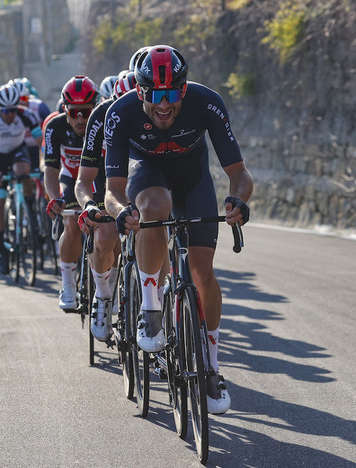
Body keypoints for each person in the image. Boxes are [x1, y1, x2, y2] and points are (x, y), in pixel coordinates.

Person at [104, 45, 253, 415]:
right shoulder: (119, 113)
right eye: (154, 95)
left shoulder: (206, 102)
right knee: (154, 208)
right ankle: (151, 310)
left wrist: (237, 200)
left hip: (193, 179)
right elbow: (112, 189)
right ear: (140, 91)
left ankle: (212, 368)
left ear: (184, 90)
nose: (164, 104)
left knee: (203, 273)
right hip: (147, 176)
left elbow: (239, 173)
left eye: (172, 94)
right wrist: (122, 211)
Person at [75, 72, 136, 341]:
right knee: (105, 236)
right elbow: (83, 179)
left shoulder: (159, 114)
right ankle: (102, 295)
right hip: (107, 176)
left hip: (142, 175)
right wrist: (88, 204)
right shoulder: (100, 117)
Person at [44, 75, 99, 311]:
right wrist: (54, 197)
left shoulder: (103, 122)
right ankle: (67, 285)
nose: (80, 119)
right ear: (64, 108)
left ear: (94, 107)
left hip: (98, 179)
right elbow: (50, 169)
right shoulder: (55, 126)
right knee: (71, 223)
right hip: (70, 177)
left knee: (109, 228)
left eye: (86, 112)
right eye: (73, 111)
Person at [0, 83, 42, 273]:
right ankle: (1, 251)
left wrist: (46, 163)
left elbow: (41, 144)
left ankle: (29, 213)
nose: (9, 114)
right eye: (5, 111)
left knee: (24, 170)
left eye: (13, 109)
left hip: (16, 151)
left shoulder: (27, 115)